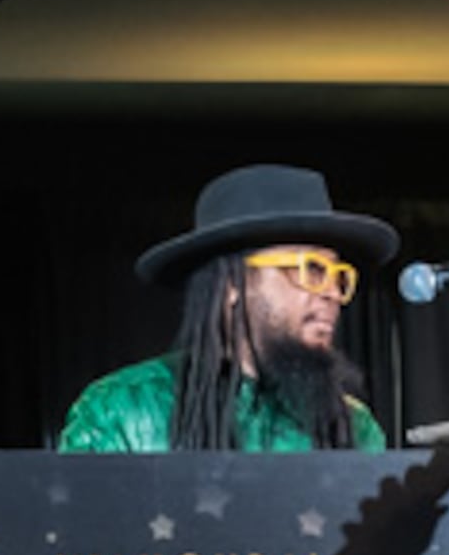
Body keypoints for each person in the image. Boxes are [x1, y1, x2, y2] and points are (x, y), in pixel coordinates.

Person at [59, 163, 396, 452]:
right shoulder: (122, 410)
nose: (332, 293)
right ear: (232, 285)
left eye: (340, 276)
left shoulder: (354, 427)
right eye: (311, 269)